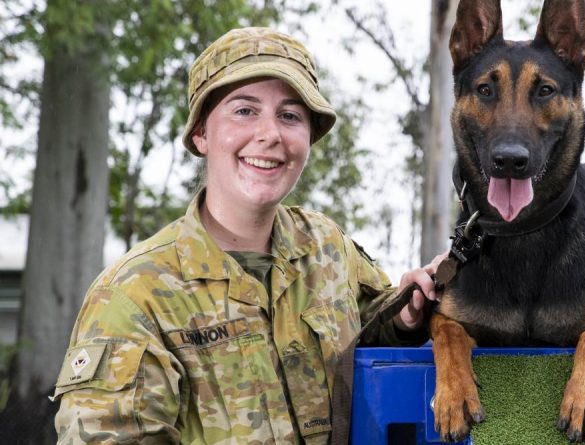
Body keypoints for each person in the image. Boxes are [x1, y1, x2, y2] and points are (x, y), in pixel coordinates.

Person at [52, 27, 438, 444]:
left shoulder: (328, 249)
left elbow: (371, 341)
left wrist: (406, 316)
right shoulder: (133, 295)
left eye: (289, 116)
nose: (270, 134)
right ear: (201, 133)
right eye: (244, 111)